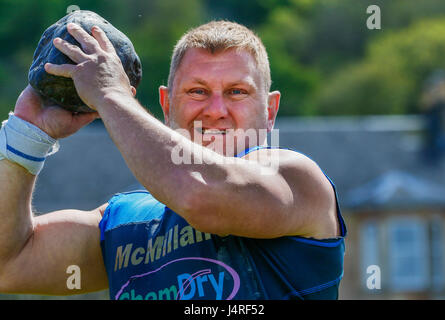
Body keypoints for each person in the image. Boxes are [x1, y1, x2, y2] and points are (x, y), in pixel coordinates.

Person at [0, 20, 346, 300]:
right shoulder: (122, 223)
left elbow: (200, 195)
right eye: (197, 91)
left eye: (236, 92)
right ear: (166, 106)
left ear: (270, 110)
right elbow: (8, 266)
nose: (215, 111)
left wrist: (109, 94)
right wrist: (26, 133)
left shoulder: (298, 180)